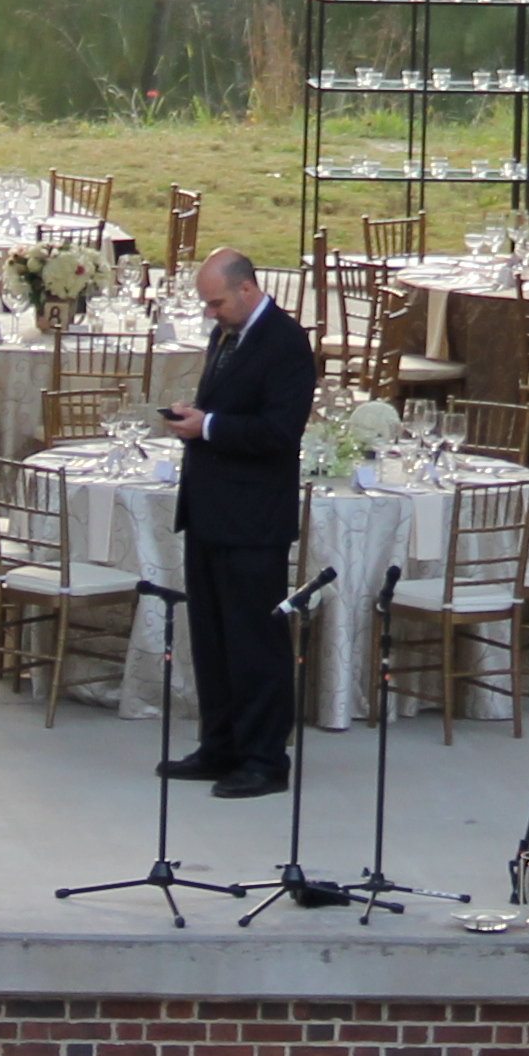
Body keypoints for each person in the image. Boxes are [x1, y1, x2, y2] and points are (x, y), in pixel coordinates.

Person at [157, 247, 314, 798]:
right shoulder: (228, 333)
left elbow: (279, 432)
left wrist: (211, 427)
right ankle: (219, 743)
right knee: (213, 638)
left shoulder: (285, 343)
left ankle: (263, 757)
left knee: (254, 641)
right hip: (210, 509)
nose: (210, 313)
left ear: (247, 290)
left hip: (253, 518)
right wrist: (200, 420)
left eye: (216, 302)